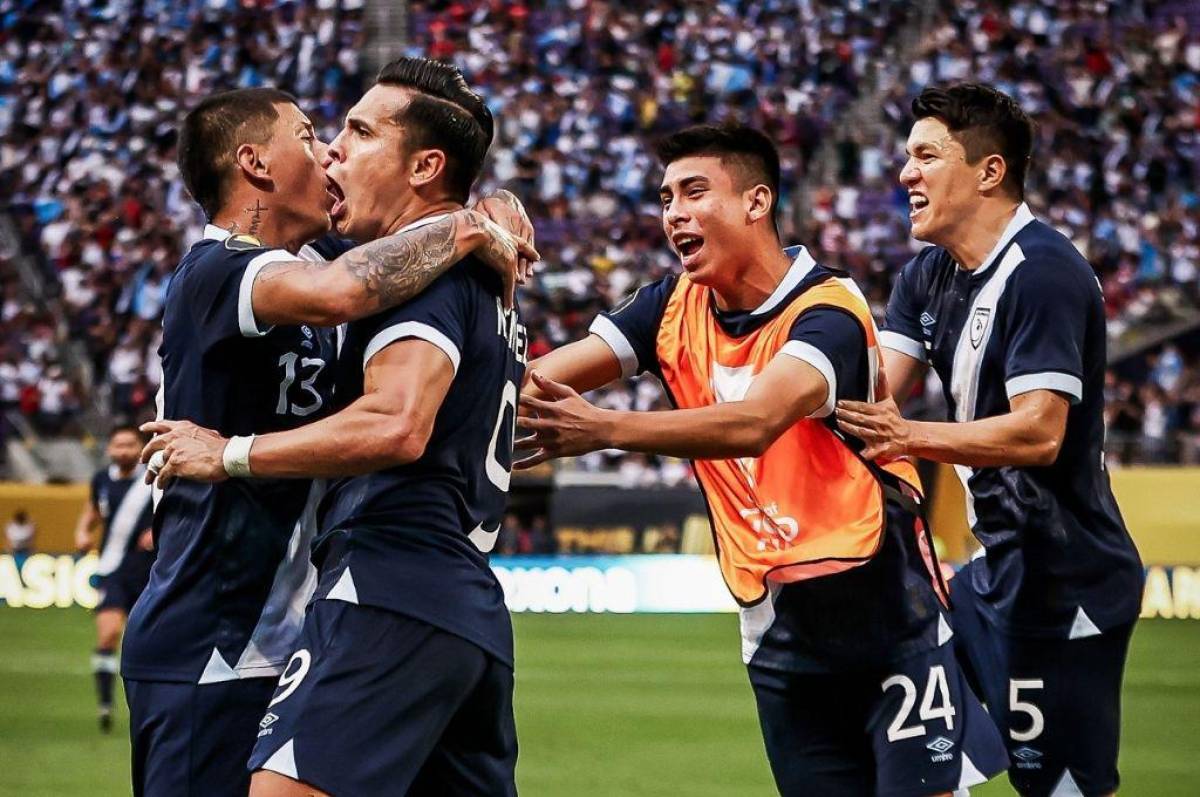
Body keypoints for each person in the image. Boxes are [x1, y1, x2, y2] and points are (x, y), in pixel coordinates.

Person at [512, 123, 1007, 797]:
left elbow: (755, 422)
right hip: (778, 631)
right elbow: (536, 381)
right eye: (665, 199)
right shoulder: (667, 308)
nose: (674, 213)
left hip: (891, 616)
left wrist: (605, 428)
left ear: (757, 201)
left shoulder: (828, 311)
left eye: (694, 192)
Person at [121, 85, 534, 797]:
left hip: (299, 631)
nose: (331, 153)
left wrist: (493, 201)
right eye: (310, 136)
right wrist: (470, 224)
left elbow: (409, 222)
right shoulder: (217, 270)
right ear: (255, 163)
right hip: (210, 643)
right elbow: (349, 287)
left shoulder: (328, 258)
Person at [834, 83, 1143, 797]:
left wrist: (907, 435)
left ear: (989, 172)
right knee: (906, 732)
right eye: (907, 156)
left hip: (1064, 583)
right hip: (991, 573)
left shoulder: (1043, 273)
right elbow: (870, 399)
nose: (905, 173)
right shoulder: (927, 275)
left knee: (1057, 790)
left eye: (926, 156)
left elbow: (1039, 431)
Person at [73, 424, 155, 733]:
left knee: (147, 641)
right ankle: (106, 704)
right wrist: (83, 531)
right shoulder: (101, 480)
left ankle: (148, 703)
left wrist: (157, 530)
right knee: (108, 634)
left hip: (149, 572)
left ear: (140, 447)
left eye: (129, 444)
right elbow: (93, 511)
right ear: (109, 449)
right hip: (113, 569)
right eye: (118, 445)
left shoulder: (154, 477)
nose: (123, 450)